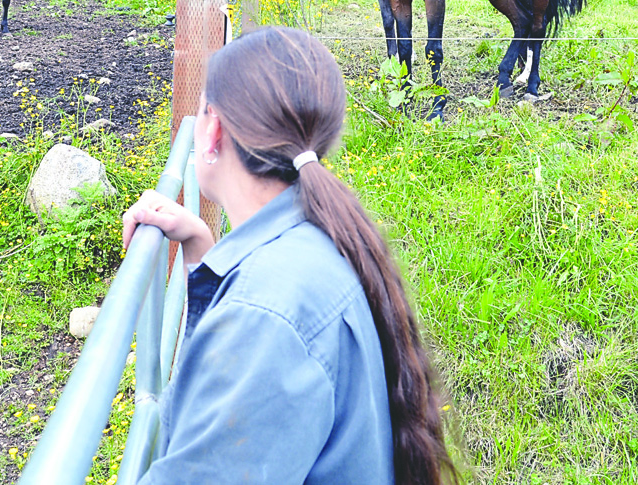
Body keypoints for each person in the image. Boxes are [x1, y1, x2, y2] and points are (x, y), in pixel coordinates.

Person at [122, 27, 457, 484]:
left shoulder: (264, 317)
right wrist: (202, 249)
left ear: (213, 129)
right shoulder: (318, 241)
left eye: (200, 111)